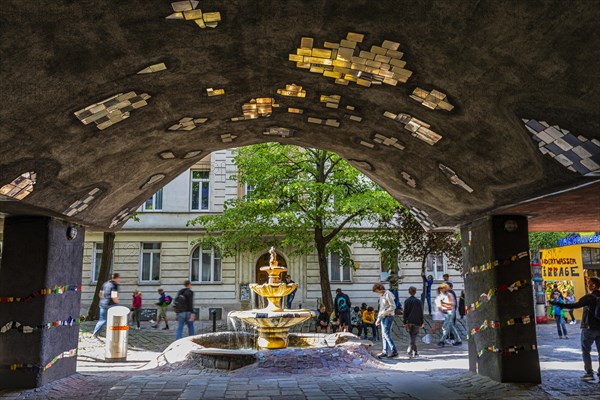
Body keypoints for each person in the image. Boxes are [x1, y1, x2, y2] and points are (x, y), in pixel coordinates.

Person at [551, 277, 600, 381]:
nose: (588, 286)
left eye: (589, 284)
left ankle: (589, 373)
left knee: (586, 350)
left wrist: (560, 304)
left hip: (589, 328)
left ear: (594, 286)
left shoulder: (589, 298)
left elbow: (575, 305)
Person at [373, 283, 398, 359]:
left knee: (386, 334)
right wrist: (378, 319)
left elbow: (393, 306)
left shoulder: (388, 294)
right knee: (383, 335)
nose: (377, 292)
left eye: (377, 291)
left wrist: (385, 313)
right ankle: (385, 352)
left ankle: (394, 351)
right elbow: (381, 308)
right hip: (383, 316)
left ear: (380, 289)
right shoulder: (381, 296)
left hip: (389, 316)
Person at [92, 273, 121, 338]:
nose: (120, 279)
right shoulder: (114, 285)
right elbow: (114, 296)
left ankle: (95, 333)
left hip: (102, 303)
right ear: (116, 278)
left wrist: (103, 300)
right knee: (114, 320)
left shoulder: (105, 284)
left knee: (102, 319)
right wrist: (117, 302)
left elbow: (100, 293)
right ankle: (113, 334)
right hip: (111, 305)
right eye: (119, 278)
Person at [403, 286, 424, 358]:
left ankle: (415, 352)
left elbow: (405, 312)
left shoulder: (406, 301)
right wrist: (422, 322)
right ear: (415, 292)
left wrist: (404, 322)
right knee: (413, 337)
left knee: (412, 336)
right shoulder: (418, 301)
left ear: (409, 292)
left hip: (409, 321)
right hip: (417, 321)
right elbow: (421, 312)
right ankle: (409, 351)